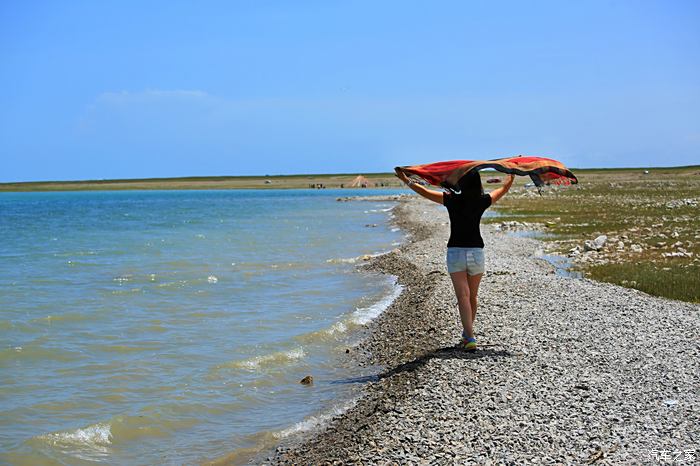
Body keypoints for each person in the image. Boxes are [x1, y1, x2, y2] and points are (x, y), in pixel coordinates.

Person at [394, 167, 515, 351]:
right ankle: (468, 334)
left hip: (456, 252)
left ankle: (470, 336)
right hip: (476, 252)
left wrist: (405, 179)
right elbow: (503, 190)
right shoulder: (482, 201)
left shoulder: (451, 200)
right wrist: (511, 176)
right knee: (472, 296)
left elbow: (424, 191)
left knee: (463, 296)